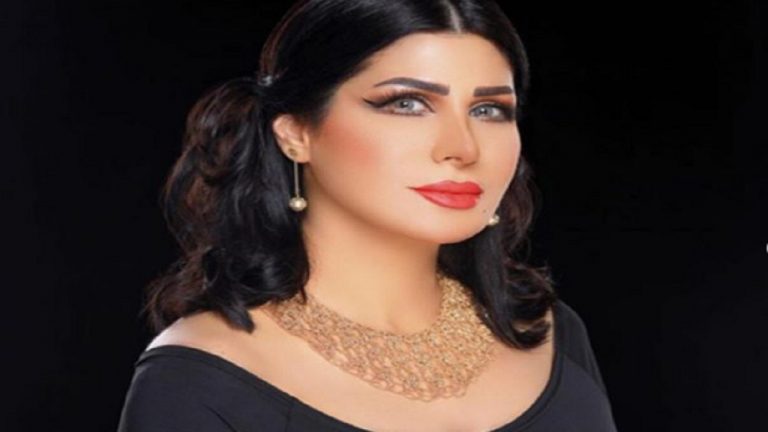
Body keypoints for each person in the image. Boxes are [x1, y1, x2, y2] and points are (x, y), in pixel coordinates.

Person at [117, 0, 617, 430]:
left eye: (488, 110)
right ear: (296, 133)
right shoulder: (200, 376)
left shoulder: (551, 333)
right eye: (407, 104)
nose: (462, 148)